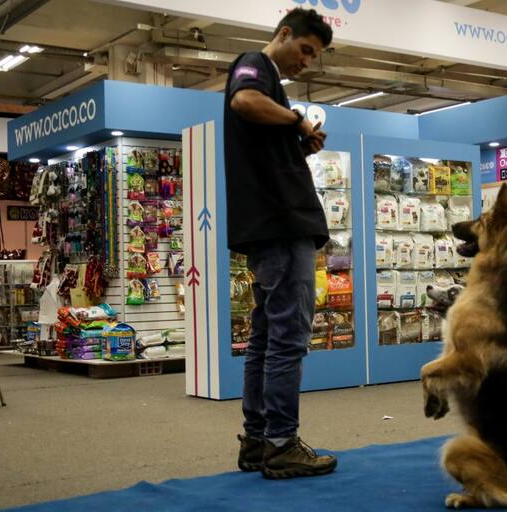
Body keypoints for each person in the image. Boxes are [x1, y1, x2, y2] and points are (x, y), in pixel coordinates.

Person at [223, 8, 337, 479]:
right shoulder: (255, 64)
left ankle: (257, 441)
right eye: (305, 50)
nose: (306, 61)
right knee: (288, 338)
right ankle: (281, 443)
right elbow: (244, 101)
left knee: (267, 337)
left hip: (270, 224)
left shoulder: (273, 83)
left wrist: (297, 142)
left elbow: (260, 130)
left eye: (314, 56)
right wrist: (296, 121)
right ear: (284, 34)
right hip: (282, 224)